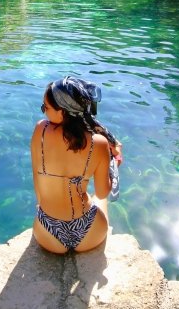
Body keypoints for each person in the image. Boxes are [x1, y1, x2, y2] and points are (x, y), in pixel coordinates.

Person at [31, 76, 122, 253]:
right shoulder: (99, 142)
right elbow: (103, 192)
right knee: (96, 199)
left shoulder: (40, 130)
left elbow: (36, 177)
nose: (43, 112)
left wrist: (42, 204)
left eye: (46, 107)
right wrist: (114, 163)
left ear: (62, 112)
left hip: (47, 233)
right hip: (89, 233)